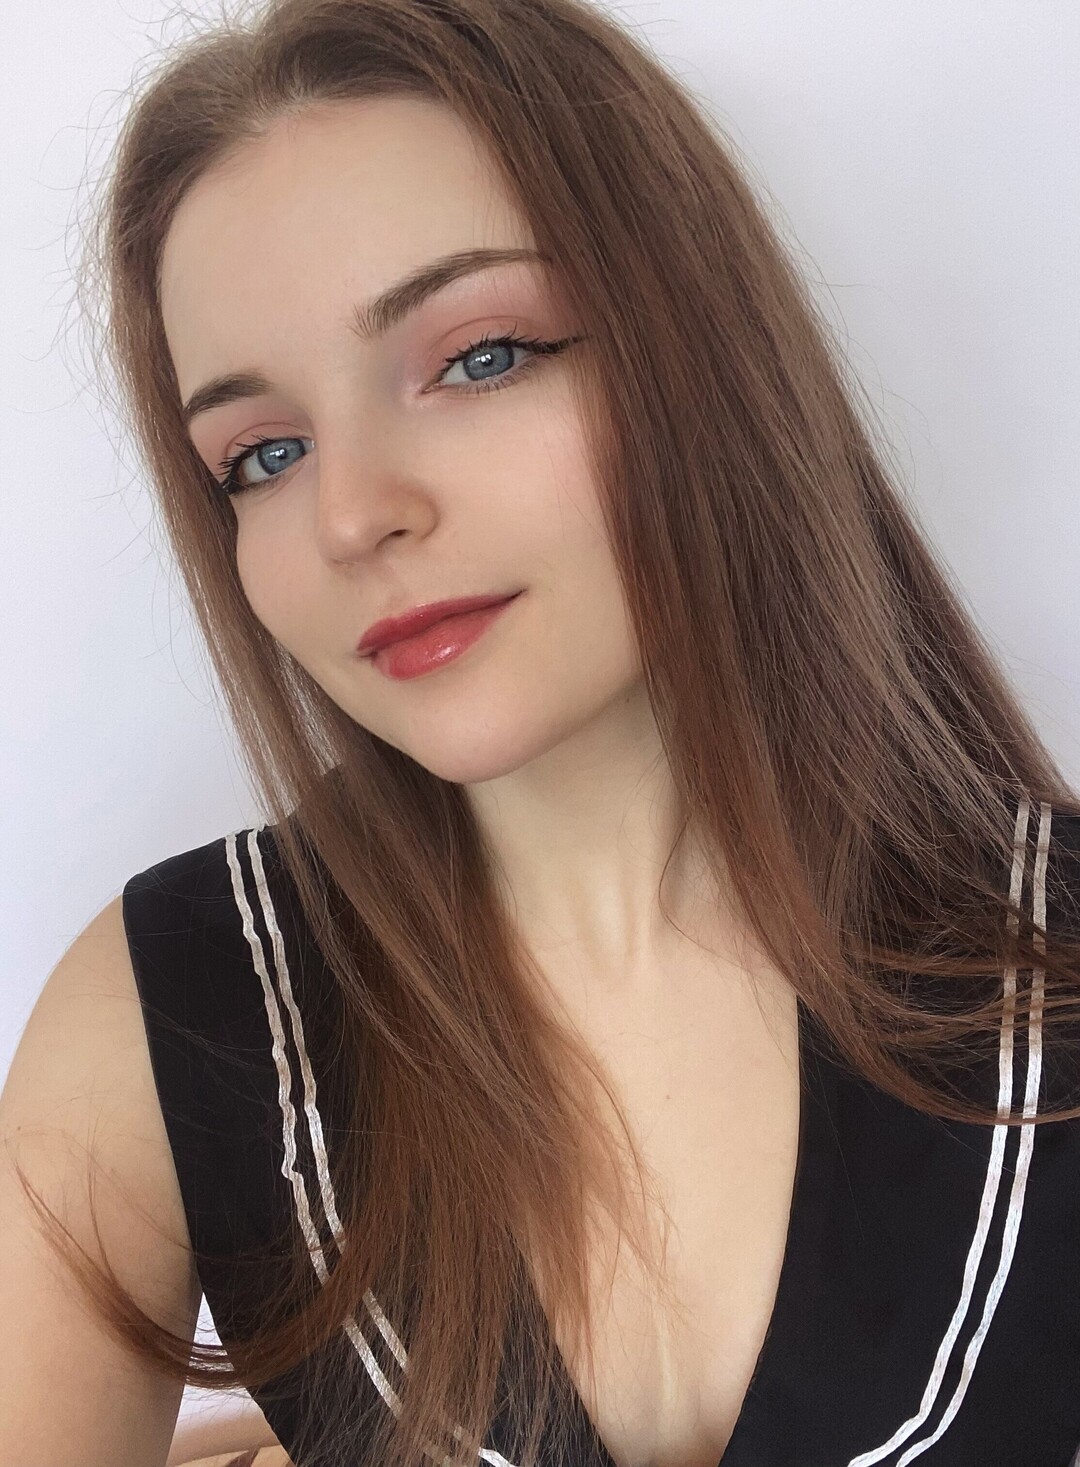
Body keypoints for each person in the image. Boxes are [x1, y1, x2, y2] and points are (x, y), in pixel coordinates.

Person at [3, 1, 1080, 1465]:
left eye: (483, 357)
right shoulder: (170, 1012)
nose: (352, 514)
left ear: (698, 350)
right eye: (264, 453)